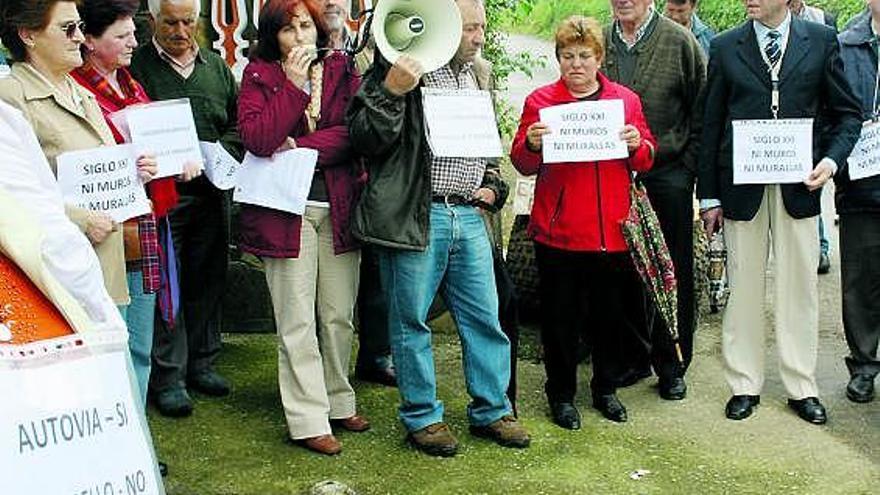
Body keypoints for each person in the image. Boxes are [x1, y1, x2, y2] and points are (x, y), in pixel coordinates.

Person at [347, 0, 530, 457]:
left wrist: (492, 184)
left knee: (485, 317)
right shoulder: (397, 69)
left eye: (481, 27)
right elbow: (366, 138)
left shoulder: (478, 74)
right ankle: (423, 417)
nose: (479, 37)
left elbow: (487, 143)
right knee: (410, 322)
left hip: (468, 214)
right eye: (470, 28)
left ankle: (492, 409)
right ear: (444, 28)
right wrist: (390, 91)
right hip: (417, 213)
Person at [698, 0, 862, 424]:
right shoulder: (726, 45)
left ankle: (800, 385)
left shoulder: (823, 41)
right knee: (745, 286)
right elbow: (710, 123)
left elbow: (847, 116)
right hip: (741, 188)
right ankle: (744, 383)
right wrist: (709, 197)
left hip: (800, 187)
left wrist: (830, 162)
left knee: (799, 287)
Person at [237, 0, 368, 456]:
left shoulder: (340, 70)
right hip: (283, 213)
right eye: (289, 30)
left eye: (306, 27)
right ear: (273, 36)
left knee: (337, 314)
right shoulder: (258, 76)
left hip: (336, 204)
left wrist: (300, 144)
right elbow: (257, 139)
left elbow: (352, 133)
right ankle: (307, 416)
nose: (300, 38)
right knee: (296, 318)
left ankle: (338, 398)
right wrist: (291, 88)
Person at [511, 16, 656, 427]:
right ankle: (561, 395)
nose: (576, 64)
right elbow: (521, 163)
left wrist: (637, 144)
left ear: (599, 59)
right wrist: (531, 143)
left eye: (584, 56)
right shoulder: (541, 101)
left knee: (608, 317)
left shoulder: (625, 101)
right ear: (558, 59)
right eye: (567, 56)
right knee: (560, 321)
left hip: (612, 231)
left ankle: (605, 389)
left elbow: (647, 156)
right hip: (558, 233)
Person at [0, 0, 160, 311]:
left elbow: (98, 170)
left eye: (80, 27)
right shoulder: (10, 97)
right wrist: (81, 220)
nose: (78, 37)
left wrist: (134, 177)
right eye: (67, 28)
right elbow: (10, 194)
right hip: (55, 277)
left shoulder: (81, 92)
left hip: (107, 270)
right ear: (28, 35)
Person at [131, 0, 243, 417]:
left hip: (211, 191)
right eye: (170, 22)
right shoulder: (139, 68)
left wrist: (222, 154)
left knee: (209, 276)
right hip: (163, 196)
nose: (181, 31)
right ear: (153, 21)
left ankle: (202, 362)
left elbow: (235, 124)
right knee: (167, 286)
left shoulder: (215, 68)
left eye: (188, 22)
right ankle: (169, 377)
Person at [71, 0, 185, 409]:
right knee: (110, 342)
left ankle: (135, 437)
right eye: (121, 35)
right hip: (106, 234)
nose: (134, 42)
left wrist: (173, 161)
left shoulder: (131, 85)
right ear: (88, 40)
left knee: (139, 342)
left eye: (132, 33)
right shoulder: (76, 93)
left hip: (144, 227)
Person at [604, 0, 706, 400]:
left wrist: (688, 169)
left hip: (668, 174)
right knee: (621, 267)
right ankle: (633, 357)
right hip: (614, 174)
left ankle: (672, 363)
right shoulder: (601, 41)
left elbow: (702, 109)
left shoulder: (679, 42)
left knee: (671, 270)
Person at [321, 0, 396, 388]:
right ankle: (328, 366)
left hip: (373, 175)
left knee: (376, 274)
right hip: (331, 174)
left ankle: (376, 353)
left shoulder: (370, 45)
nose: (331, 2)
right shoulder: (303, 46)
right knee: (333, 283)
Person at [835, 0, 880, 403]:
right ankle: (864, 365)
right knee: (860, 281)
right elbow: (833, 109)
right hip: (862, 184)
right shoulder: (845, 44)